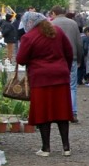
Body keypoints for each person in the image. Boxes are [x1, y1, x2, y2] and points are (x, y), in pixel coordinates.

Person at [16, 11, 74, 157]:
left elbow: (21, 59)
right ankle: (66, 147)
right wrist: (64, 67)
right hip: (60, 76)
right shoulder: (58, 32)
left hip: (40, 78)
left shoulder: (28, 37)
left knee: (43, 112)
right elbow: (69, 52)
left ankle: (46, 148)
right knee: (62, 112)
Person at [49, 7, 82, 123]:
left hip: (55, 59)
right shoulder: (73, 23)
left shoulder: (51, 24)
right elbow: (79, 42)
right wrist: (79, 58)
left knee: (56, 86)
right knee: (72, 86)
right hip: (72, 58)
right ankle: (73, 113)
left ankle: (57, 113)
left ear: (54, 13)